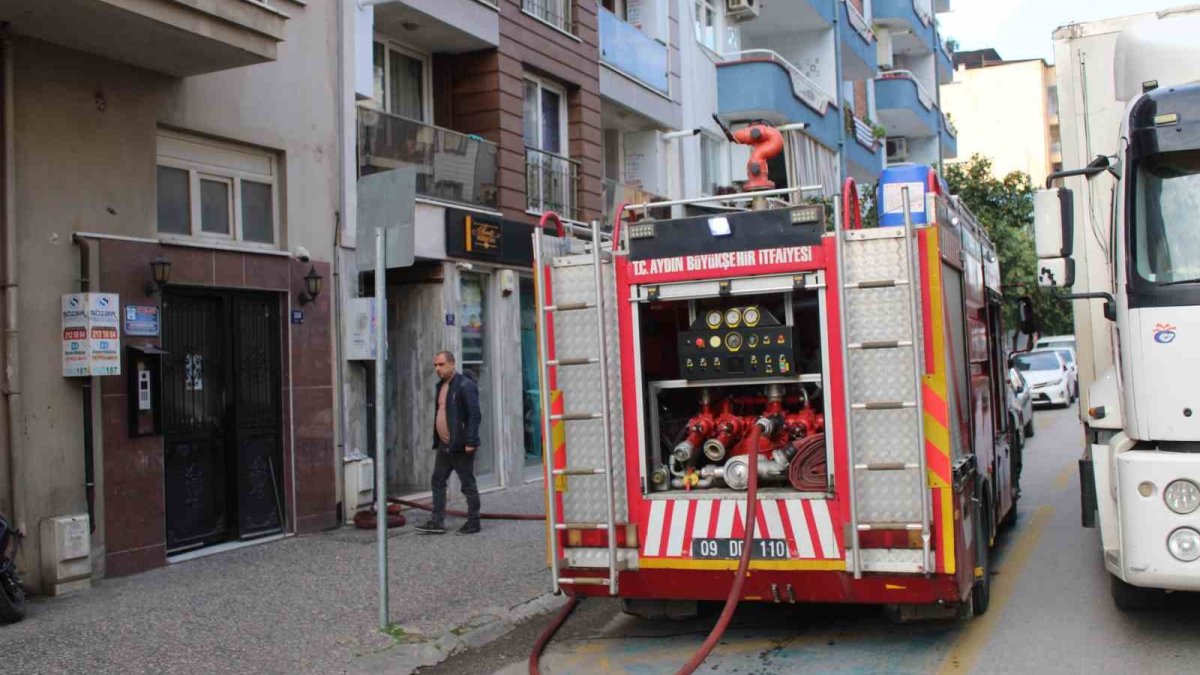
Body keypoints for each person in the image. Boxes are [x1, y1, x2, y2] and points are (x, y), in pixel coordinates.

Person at [416, 350, 482, 535]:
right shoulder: (441, 386)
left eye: (441, 364)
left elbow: (475, 415)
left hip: (460, 445)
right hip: (444, 445)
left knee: (467, 484)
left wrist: (471, 441)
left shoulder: (464, 385)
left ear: (452, 364)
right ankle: (437, 522)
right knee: (437, 481)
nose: (437, 368)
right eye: (435, 365)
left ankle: (474, 522)